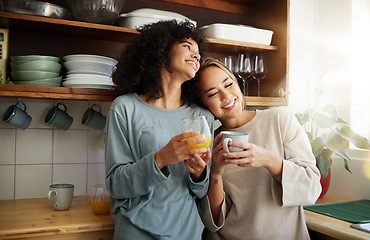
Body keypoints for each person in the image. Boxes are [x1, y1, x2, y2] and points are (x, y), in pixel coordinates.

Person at [185, 57, 321, 240]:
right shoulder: (207, 143)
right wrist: (215, 173)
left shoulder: (280, 120)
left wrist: (268, 160)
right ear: (203, 104)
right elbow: (213, 222)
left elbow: (311, 188)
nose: (226, 96)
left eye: (228, 84)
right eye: (212, 94)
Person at [105, 20, 214, 240]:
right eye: (187, 46)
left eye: (198, 52)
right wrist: (161, 158)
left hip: (188, 232)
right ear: (162, 50)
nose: (196, 56)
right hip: (136, 231)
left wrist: (199, 173)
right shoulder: (125, 108)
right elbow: (116, 184)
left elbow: (202, 192)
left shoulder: (202, 117)